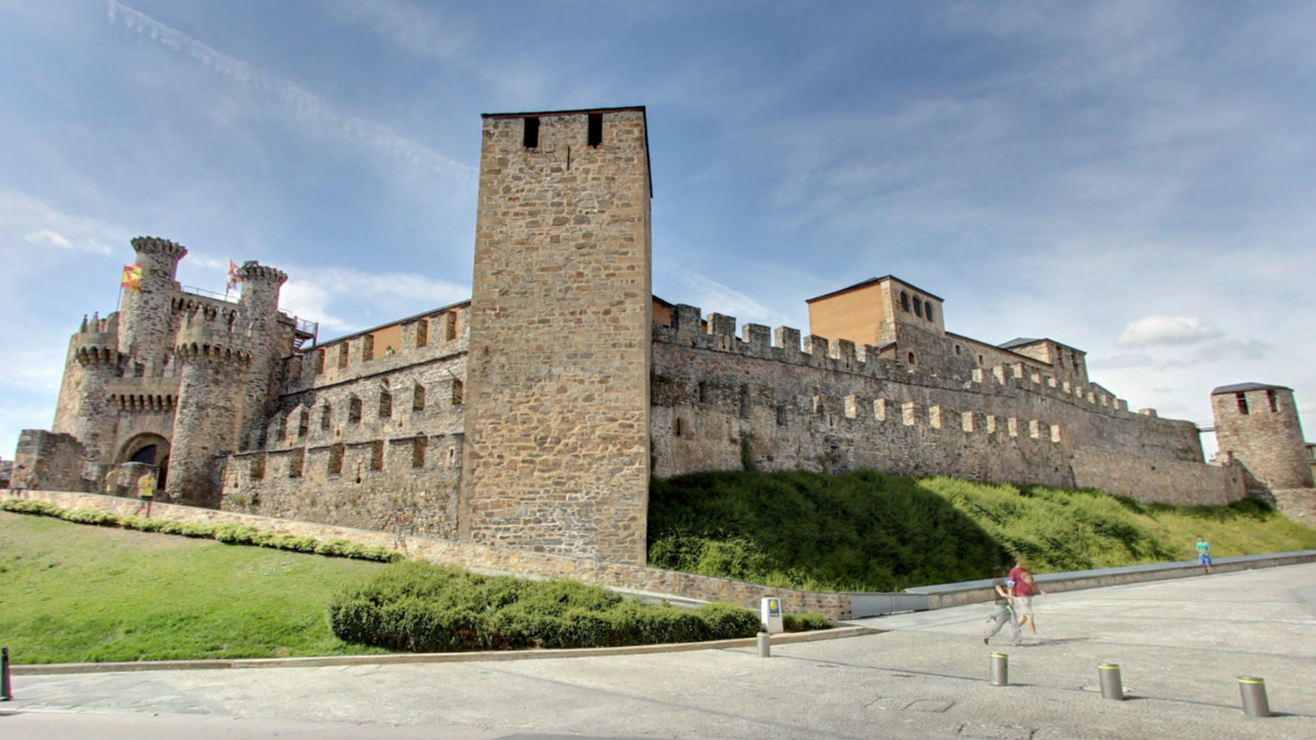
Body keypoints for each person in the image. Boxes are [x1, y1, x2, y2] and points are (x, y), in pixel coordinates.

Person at [1008, 558, 1048, 636]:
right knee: (1029, 615)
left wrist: (1040, 591)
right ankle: (1035, 635)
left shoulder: (1025, 571)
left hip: (1029, 595)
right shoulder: (1014, 571)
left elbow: (1031, 582)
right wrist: (1011, 598)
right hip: (1021, 595)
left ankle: (1013, 628)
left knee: (1024, 616)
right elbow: (1010, 585)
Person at [982, 574, 1021, 646]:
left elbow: (1010, 598)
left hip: (1008, 607)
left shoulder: (1006, 587)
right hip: (1001, 608)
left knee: (1014, 623)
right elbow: (1002, 594)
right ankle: (986, 636)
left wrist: (1010, 589)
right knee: (999, 625)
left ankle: (1016, 641)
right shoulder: (997, 586)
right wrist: (1014, 597)